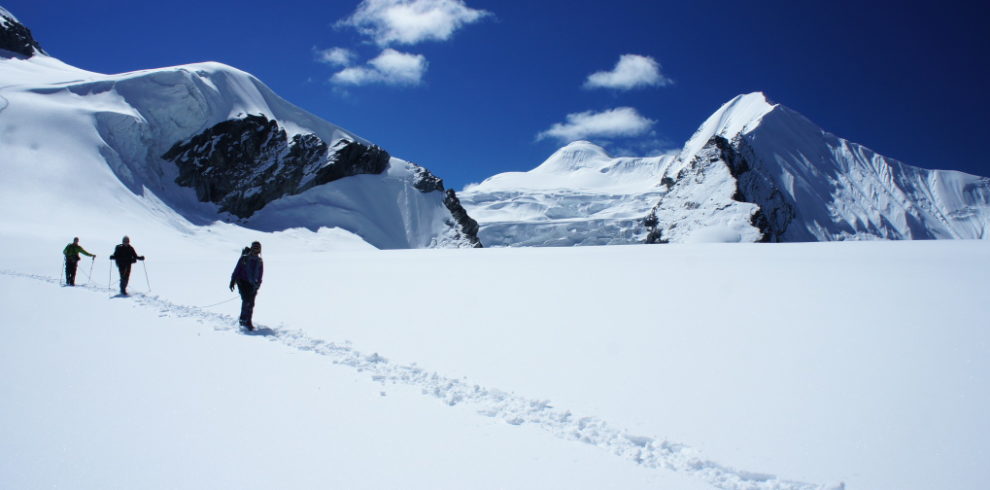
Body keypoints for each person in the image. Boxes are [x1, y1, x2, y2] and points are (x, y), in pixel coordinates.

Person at [230, 241, 264, 330]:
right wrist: (233, 280)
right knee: (246, 301)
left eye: (258, 249)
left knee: (251, 303)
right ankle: (243, 321)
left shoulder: (259, 261)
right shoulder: (244, 259)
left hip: (252, 284)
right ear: (252, 248)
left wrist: (258, 284)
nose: (256, 250)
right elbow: (237, 269)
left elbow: (260, 274)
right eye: (255, 248)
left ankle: (248, 321)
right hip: (242, 282)